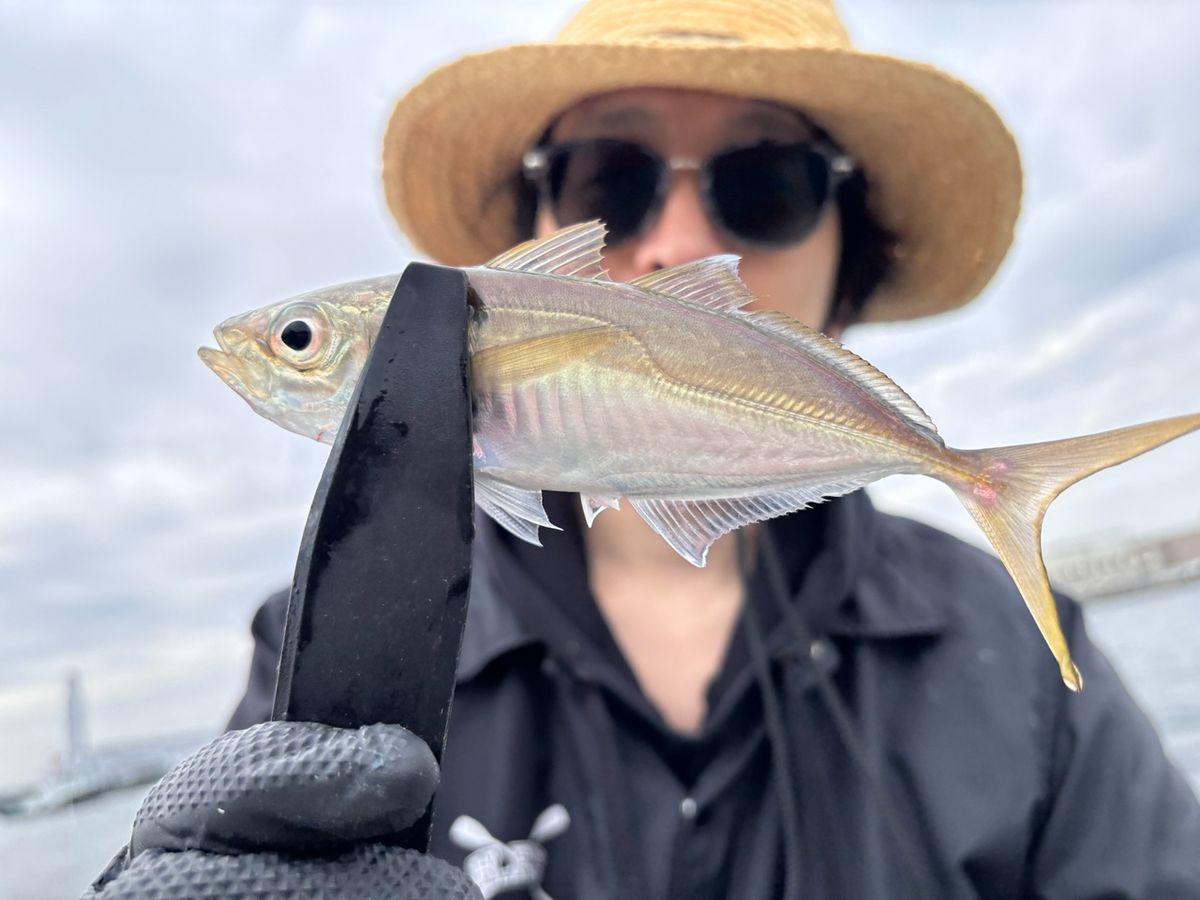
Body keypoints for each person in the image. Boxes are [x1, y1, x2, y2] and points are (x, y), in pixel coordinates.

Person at [93, 1, 1200, 898]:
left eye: (764, 187)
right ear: (533, 232)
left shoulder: (1013, 658)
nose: (680, 242)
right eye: (607, 178)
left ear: (848, 247)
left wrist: (952, 461)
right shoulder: (323, 643)